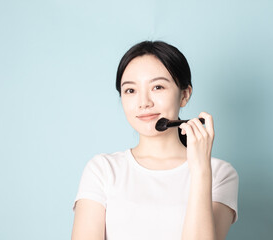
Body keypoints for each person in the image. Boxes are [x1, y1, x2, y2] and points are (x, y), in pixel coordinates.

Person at [71, 41, 239, 240]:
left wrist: (201, 170)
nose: (144, 103)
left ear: (184, 95)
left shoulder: (220, 174)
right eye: (130, 90)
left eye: (157, 87)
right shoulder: (102, 170)